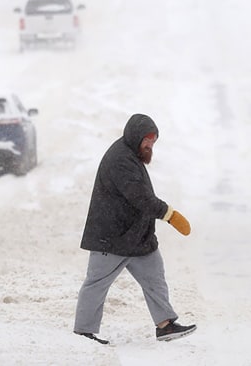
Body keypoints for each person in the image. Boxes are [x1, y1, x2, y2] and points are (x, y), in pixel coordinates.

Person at [73, 113, 196, 345]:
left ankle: (165, 325)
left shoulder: (131, 154)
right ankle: (83, 332)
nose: (150, 144)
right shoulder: (120, 159)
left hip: (136, 236)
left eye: (153, 140)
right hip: (111, 237)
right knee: (96, 283)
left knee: (154, 276)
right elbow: (140, 197)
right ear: (135, 136)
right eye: (147, 139)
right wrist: (170, 215)